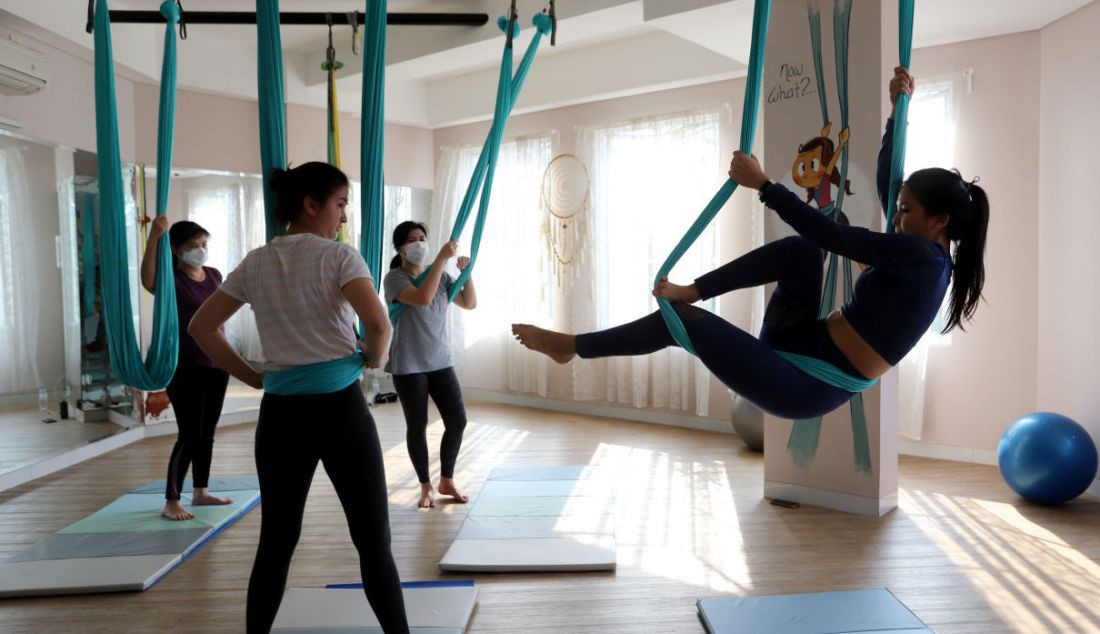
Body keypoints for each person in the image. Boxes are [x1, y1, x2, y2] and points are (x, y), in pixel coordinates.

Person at [512, 66, 988, 420]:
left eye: (907, 210)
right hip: (802, 339)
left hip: (806, 384)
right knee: (802, 254)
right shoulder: (918, 248)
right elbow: (889, 183)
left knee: (688, 322)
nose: (897, 214)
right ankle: (692, 289)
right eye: (901, 207)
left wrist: (764, 186)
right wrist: (896, 113)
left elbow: (834, 235)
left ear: (940, 221)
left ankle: (574, 346)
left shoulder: (923, 259)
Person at [187, 162, 409, 634]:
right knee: (373, 542)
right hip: (341, 413)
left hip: (281, 417)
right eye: (340, 204)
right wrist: (374, 356)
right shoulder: (340, 257)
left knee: (277, 541)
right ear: (312, 205)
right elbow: (379, 325)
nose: (344, 217)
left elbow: (201, 327)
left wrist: (250, 375)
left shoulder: (255, 262)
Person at [141, 218, 231, 521]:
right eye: (193, 246)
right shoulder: (170, 280)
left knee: (207, 433)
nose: (200, 250)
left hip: (217, 363)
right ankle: (172, 499)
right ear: (177, 250)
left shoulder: (215, 275)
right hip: (185, 366)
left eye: (204, 244)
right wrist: (154, 237)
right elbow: (148, 280)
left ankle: (201, 491)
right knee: (190, 433)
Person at [384, 221, 477, 509]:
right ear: (400, 248)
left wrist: (465, 273)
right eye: (413, 240)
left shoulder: (441, 276)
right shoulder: (394, 279)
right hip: (409, 365)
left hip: (440, 361)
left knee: (458, 420)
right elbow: (422, 298)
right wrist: (440, 258)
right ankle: (425, 485)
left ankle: (446, 479)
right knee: (418, 425)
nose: (420, 244)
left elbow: (469, 302)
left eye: (423, 238)